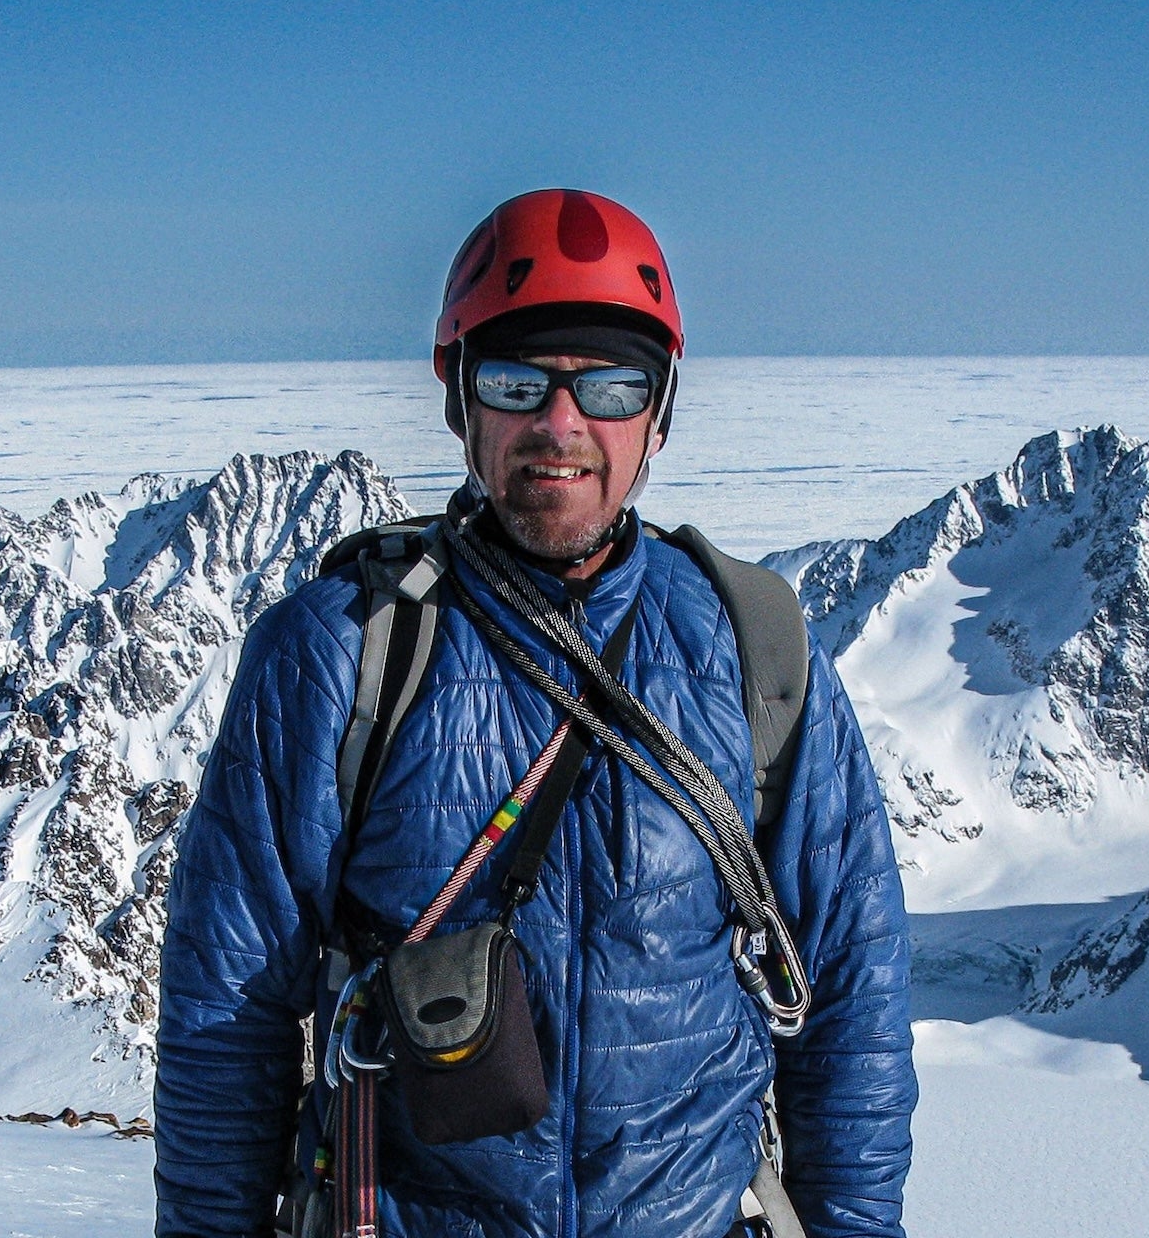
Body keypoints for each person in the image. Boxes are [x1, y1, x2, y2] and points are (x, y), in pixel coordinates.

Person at [155, 189, 915, 1238]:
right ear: (459, 397)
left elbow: (849, 1008)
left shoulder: (754, 653)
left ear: (658, 412)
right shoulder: (338, 653)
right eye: (519, 381)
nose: (562, 426)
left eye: (609, 385)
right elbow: (224, 1019)